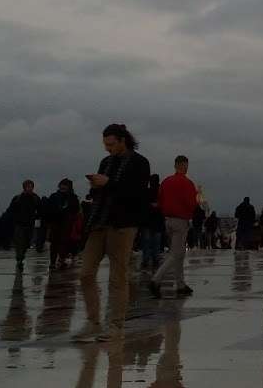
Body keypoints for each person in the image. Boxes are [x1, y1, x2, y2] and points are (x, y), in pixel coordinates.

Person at [74, 123, 151, 343]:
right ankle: (93, 321)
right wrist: (96, 186)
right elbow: (104, 190)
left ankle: (115, 325)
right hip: (99, 222)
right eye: (105, 144)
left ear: (122, 140)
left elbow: (137, 193)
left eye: (111, 144)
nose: (107, 149)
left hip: (123, 224)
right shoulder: (106, 162)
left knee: (118, 277)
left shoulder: (139, 162)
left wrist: (108, 183)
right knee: (85, 273)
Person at [149, 155, 198, 297]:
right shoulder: (187, 183)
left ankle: (181, 283)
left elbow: (160, 200)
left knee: (179, 252)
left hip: (168, 220)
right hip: (181, 220)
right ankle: (156, 279)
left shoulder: (166, 182)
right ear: (184, 165)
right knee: (175, 254)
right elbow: (191, 203)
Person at [44, 179, 81, 271]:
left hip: (67, 223)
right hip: (55, 223)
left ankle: (61, 259)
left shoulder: (73, 197)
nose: (63, 187)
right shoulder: (54, 196)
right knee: (54, 243)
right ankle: (53, 262)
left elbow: (76, 210)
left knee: (65, 242)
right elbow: (48, 209)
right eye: (62, 185)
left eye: (65, 185)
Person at [4, 180, 41, 268]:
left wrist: (37, 216)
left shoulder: (35, 198)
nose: (29, 188)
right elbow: (11, 210)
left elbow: (40, 210)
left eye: (31, 187)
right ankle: (19, 258)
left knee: (26, 243)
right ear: (24, 187)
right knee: (19, 242)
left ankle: (21, 255)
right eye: (28, 187)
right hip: (19, 224)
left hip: (30, 224)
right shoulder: (18, 198)